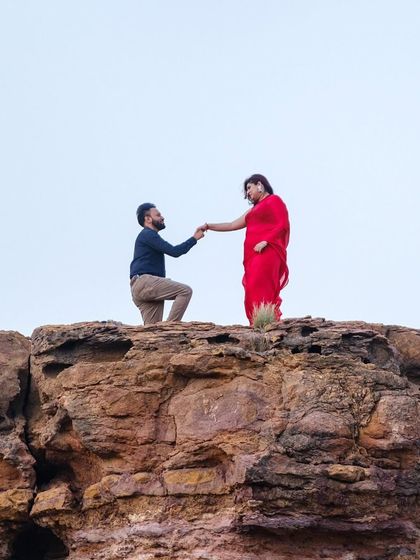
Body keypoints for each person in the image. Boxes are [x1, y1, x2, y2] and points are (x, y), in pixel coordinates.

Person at [203, 174, 289, 325]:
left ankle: (269, 323)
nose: (248, 193)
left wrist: (266, 241)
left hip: (267, 252)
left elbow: (282, 224)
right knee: (251, 290)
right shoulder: (253, 210)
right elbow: (231, 225)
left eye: (249, 188)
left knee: (262, 286)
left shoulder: (274, 200)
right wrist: (209, 226)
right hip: (252, 256)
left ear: (260, 185)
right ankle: (257, 325)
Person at [130, 203, 205, 325]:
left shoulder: (147, 236)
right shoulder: (148, 234)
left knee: (153, 332)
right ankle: (170, 328)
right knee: (185, 291)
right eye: (158, 215)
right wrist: (194, 238)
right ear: (148, 219)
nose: (162, 217)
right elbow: (175, 251)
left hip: (139, 287)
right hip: (145, 282)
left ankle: (164, 332)